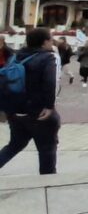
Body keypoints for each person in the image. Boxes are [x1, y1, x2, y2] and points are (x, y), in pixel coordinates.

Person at [0, 28, 61, 175]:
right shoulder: (48, 58)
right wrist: (49, 106)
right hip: (38, 111)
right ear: (44, 42)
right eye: (51, 39)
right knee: (47, 149)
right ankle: (47, 181)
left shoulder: (15, 57)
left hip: (15, 111)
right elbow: (51, 83)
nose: (52, 42)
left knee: (15, 144)